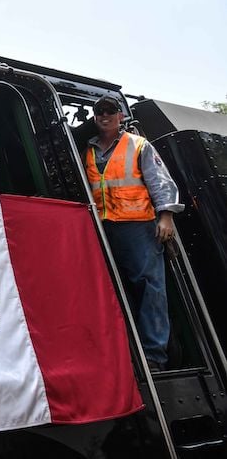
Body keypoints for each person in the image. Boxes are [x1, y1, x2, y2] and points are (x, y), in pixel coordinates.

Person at [84, 96, 184, 372]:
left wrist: (166, 216)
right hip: (103, 227)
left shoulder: (138, 145)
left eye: (110, 111)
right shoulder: (89, 151)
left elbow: (160, 182)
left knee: (150, 287)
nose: (105, 115)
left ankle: (154, 355)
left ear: (120, 116)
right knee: (115, 287)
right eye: (99, 112)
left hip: (137, 225)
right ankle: (125, 351)